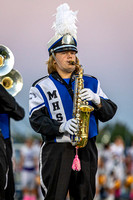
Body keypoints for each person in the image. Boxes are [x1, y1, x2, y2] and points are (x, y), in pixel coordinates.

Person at [29, 3, 117, 200]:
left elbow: (110, 111)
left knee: (85, 196)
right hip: (56, 149)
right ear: (53, 58)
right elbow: (36, 121)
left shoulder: (91, 82)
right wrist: (62, 126)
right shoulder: (40, 86)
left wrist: (97, 100)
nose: (71, 56)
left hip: (87, 150)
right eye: (65, 52)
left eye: (73, 52)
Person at [0, 84, 25, 200]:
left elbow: (20, 114)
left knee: (9, 190)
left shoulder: (5, 102)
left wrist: (2, 92)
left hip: (5, 147)